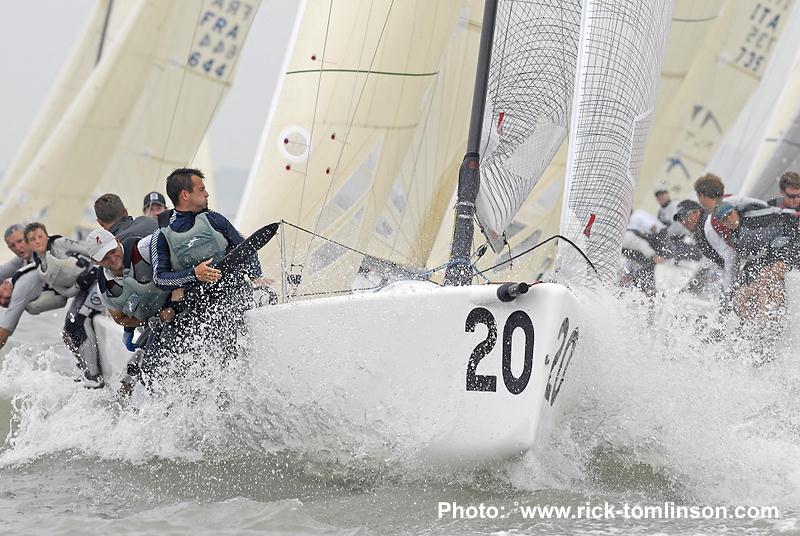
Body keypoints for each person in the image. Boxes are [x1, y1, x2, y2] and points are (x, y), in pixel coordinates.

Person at [147, 168, 261, 377]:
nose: (207, 194)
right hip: (198, 307)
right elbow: (160, 278)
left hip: (233, 295)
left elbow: (246, 249)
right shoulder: (161, 236)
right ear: (185, 194)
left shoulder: (216, 220)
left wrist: (256, 276)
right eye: (202, 189)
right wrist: (194, 274)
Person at [692, 173, 800, 321]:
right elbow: (731, 260)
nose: (729, 220)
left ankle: (769, 328)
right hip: (765, 257)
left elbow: (780, 215)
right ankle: (748, 332)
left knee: (766, 282)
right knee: (740, 297)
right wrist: (730, 295)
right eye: (725, 220)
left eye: (730, 215)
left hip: (788, 251)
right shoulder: (731, 234)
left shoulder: (756, 215)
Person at [87, 227, 173, 393]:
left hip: (182, 303)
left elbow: (182, 250)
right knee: (137, 372)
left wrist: (178, 291)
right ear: (95, 261)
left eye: (113, 251)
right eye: (105, 258)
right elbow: (120, 318)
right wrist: (154, 319)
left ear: (118, 241)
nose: (112, 259)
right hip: (155, 322)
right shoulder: (105, 288)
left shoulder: (145, 248)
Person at [25, 222, 106, 387]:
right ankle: (87, 365)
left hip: (98, 278)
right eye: (33, 239)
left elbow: (89, 251)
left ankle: (94, 376)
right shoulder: (42, 270)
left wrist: (92, 273)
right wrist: (80, 285)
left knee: (80, 321)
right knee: (69, 328)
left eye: (40, 236)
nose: (38, 241)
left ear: (46, 236)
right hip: (84, 288)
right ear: (28, 244)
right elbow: (65, 292)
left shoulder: (60, 244)